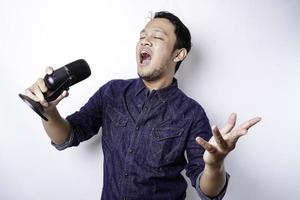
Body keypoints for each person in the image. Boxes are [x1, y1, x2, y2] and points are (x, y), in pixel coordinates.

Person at [24, 11, 261, 200]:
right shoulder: (112, 92)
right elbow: (68, 136)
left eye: (157, 37)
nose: (145, 41)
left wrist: (215, 164)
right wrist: (48, 111)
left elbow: (208, 191)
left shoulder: (191, 113)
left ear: (178, 54)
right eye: (142, 36)